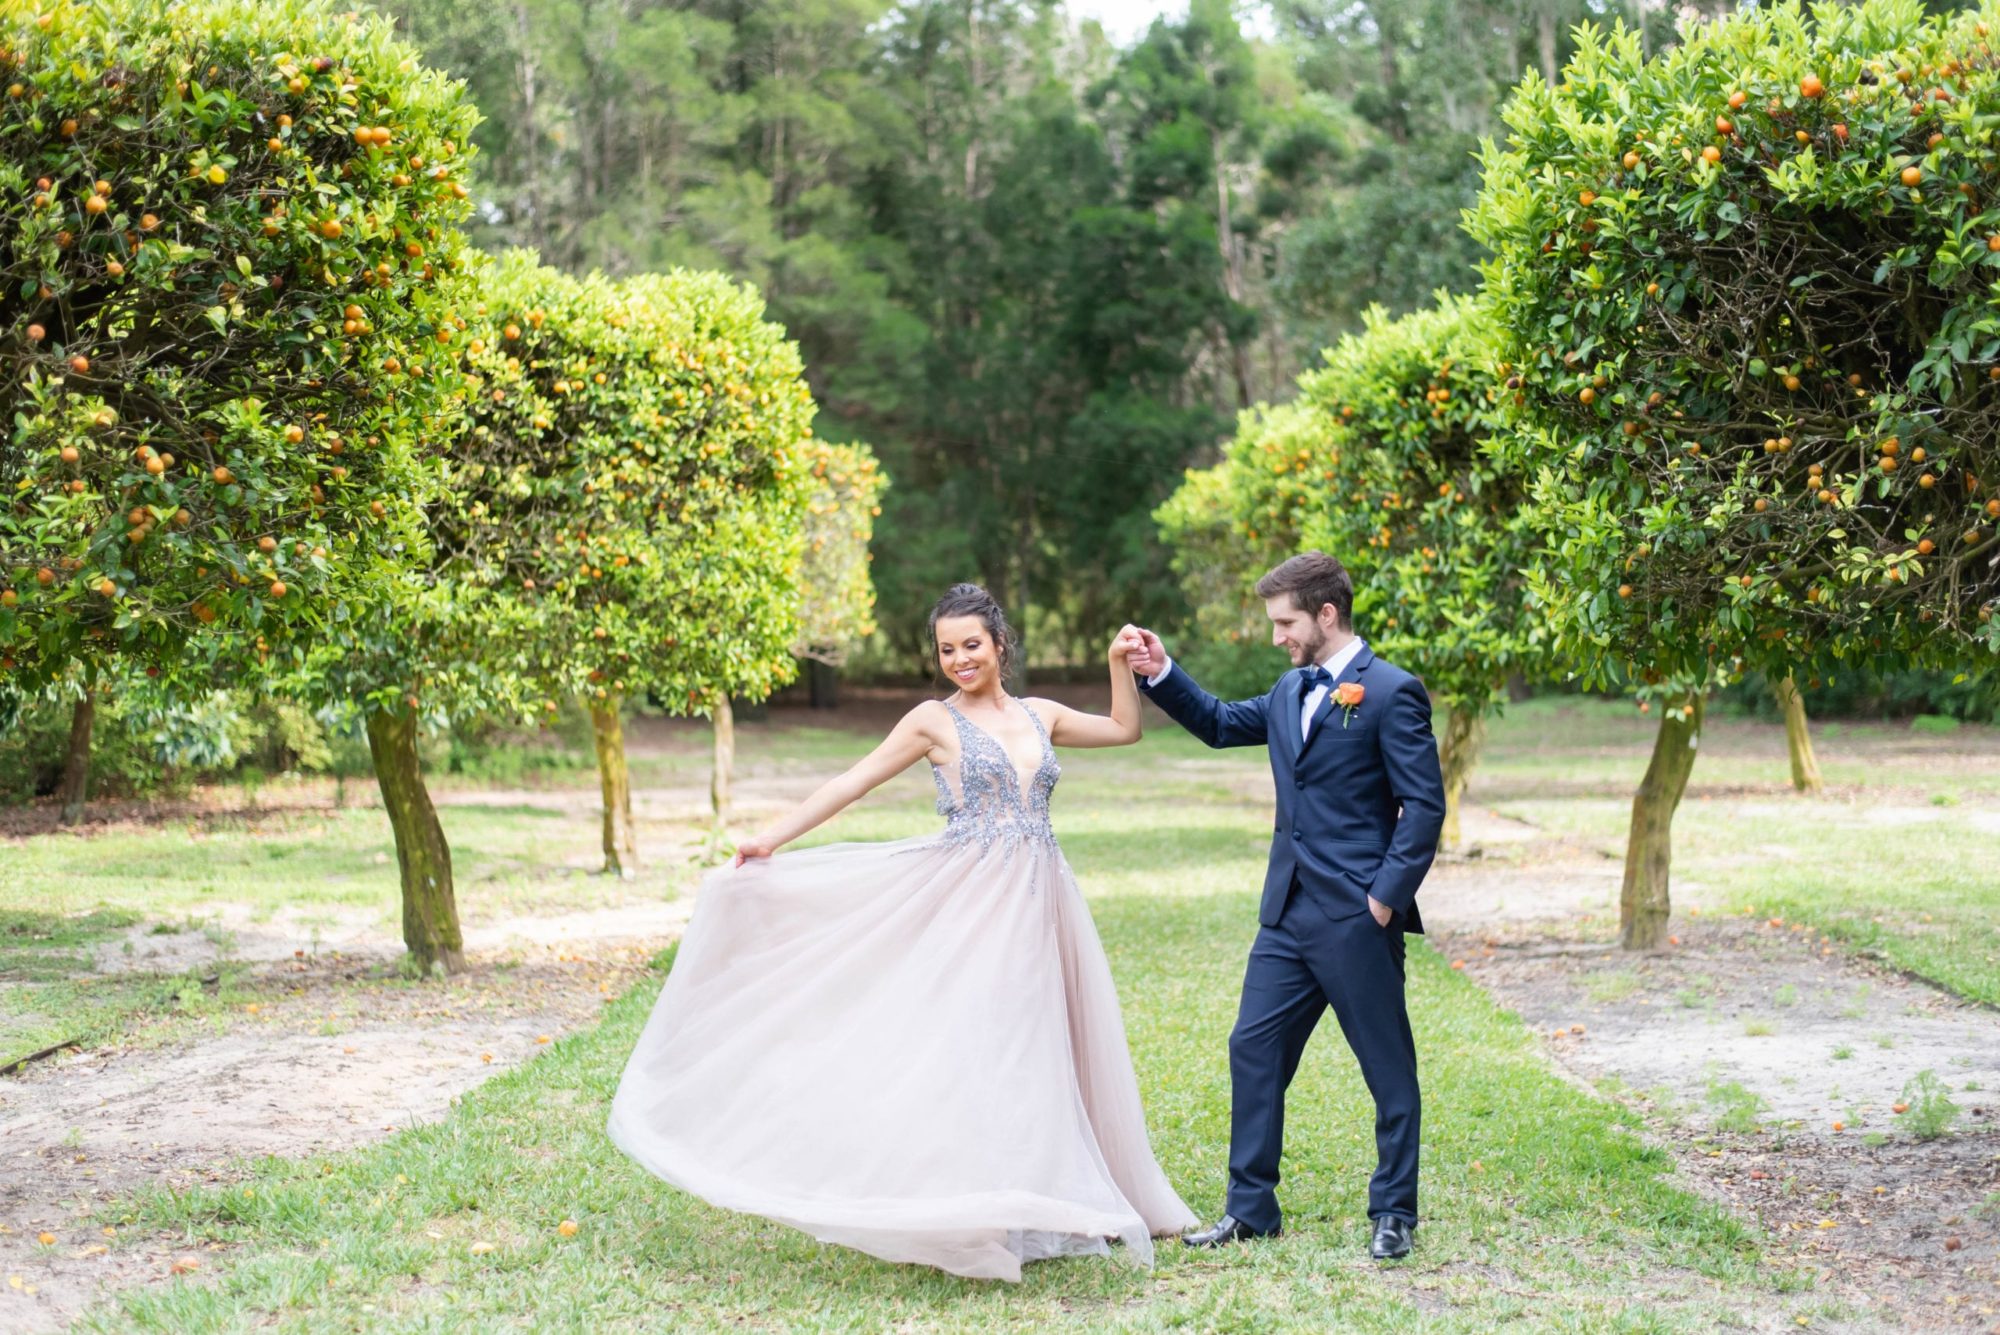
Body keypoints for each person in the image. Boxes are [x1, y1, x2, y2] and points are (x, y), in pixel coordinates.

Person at [608, 583, 1196, 1281]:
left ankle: (1052, 1193)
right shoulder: (931, 721)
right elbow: (853, 780)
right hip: (972, 903)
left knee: (1048, 1039)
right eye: (947, 649)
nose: (959, 659)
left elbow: (1124, 728)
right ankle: (976, 1202)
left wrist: (1117, 663)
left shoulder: (1041, 714)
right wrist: (771, 837)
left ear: (1000, 644)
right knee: (988, 1045)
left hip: (1044, 899)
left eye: (971, 645)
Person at [1124, 551, 1445, 1262]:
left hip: (1356, 917)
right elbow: (1213, 722)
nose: (1277, 636)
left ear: (1326, 615)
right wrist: (1160, 670)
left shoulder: (1391, 692)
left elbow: (1423, 807)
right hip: (1286, 914)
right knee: (1253, 1047)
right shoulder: (1288, 689)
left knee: (1386, 1066)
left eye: (1285, 622)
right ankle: (1250, 1209)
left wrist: (1383, 902)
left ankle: (1394, 1210)